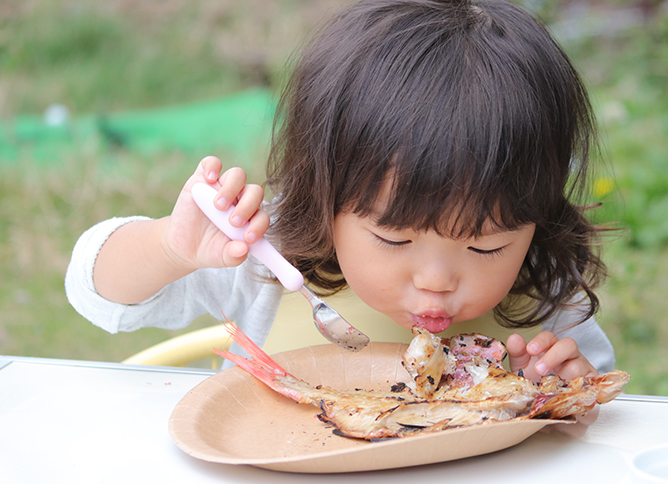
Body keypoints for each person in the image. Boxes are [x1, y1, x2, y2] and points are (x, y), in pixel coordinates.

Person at [66, 0, 615, 380]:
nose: (436, 281)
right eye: (394, 240)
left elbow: (596, 415)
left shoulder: (544, 297)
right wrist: (170, 248)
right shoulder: (267, 260)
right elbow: (94, 292)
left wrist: (563, 395)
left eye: (485, 246)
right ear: (324, 195)